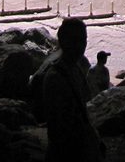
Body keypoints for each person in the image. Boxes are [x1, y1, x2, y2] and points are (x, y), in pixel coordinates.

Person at [42, 18, 104, 162]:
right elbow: (60, 125)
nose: (80, 45)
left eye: (83, 40)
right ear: (63, 41)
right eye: (75, 40)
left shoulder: (76, 68)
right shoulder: (55, 77)